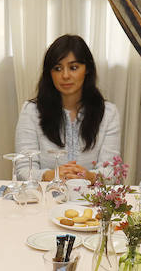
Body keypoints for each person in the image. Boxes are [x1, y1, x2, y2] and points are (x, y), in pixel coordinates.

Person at [13, 34, 122, 181]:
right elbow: (23, 169)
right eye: (57, 68)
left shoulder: (108, 113)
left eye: (73, 67)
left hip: (89, 199)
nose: (65, 75)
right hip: (45, 198)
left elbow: (112, 172)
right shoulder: (31, 111)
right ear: (49, 73)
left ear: (87, 69)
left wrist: (89, 176)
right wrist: (49, 175)